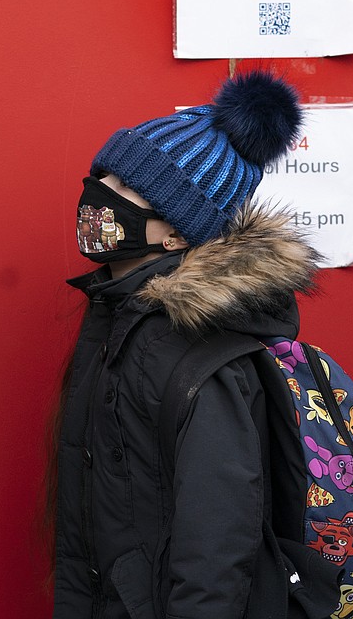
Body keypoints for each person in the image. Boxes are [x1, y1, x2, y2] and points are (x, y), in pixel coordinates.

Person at [51, 71, 333, 618]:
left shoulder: (199, 349)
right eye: (104, 175)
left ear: (178, 231)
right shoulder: (122, 313)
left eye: (129, 188)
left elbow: (218, 541)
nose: (101, 194)